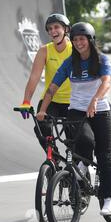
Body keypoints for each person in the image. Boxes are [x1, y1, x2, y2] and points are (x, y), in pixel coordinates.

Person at [36, 22, 111, 216]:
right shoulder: (69, 63)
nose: (78, 43)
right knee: (84, 142)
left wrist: (95, 100)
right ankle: (83, 170)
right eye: (75, 40)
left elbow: (106, 82)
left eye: (82, 39)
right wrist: (43, 110)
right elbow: (52, 88)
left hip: (100, 111)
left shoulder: (102, 60)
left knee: (104, 155)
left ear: (90, 40)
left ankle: (109, 199)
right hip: (77, 111)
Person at [19, 13, 72, 151]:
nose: (52, 31)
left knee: (75, 139)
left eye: (56, 27)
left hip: (72, 101)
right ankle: (53, 158)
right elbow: (34, 77)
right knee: (41, 127)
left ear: (66, 29)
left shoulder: (74, 49)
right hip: (51, 100)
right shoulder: (44, 50)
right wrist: (26, 101)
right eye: (49, 29)